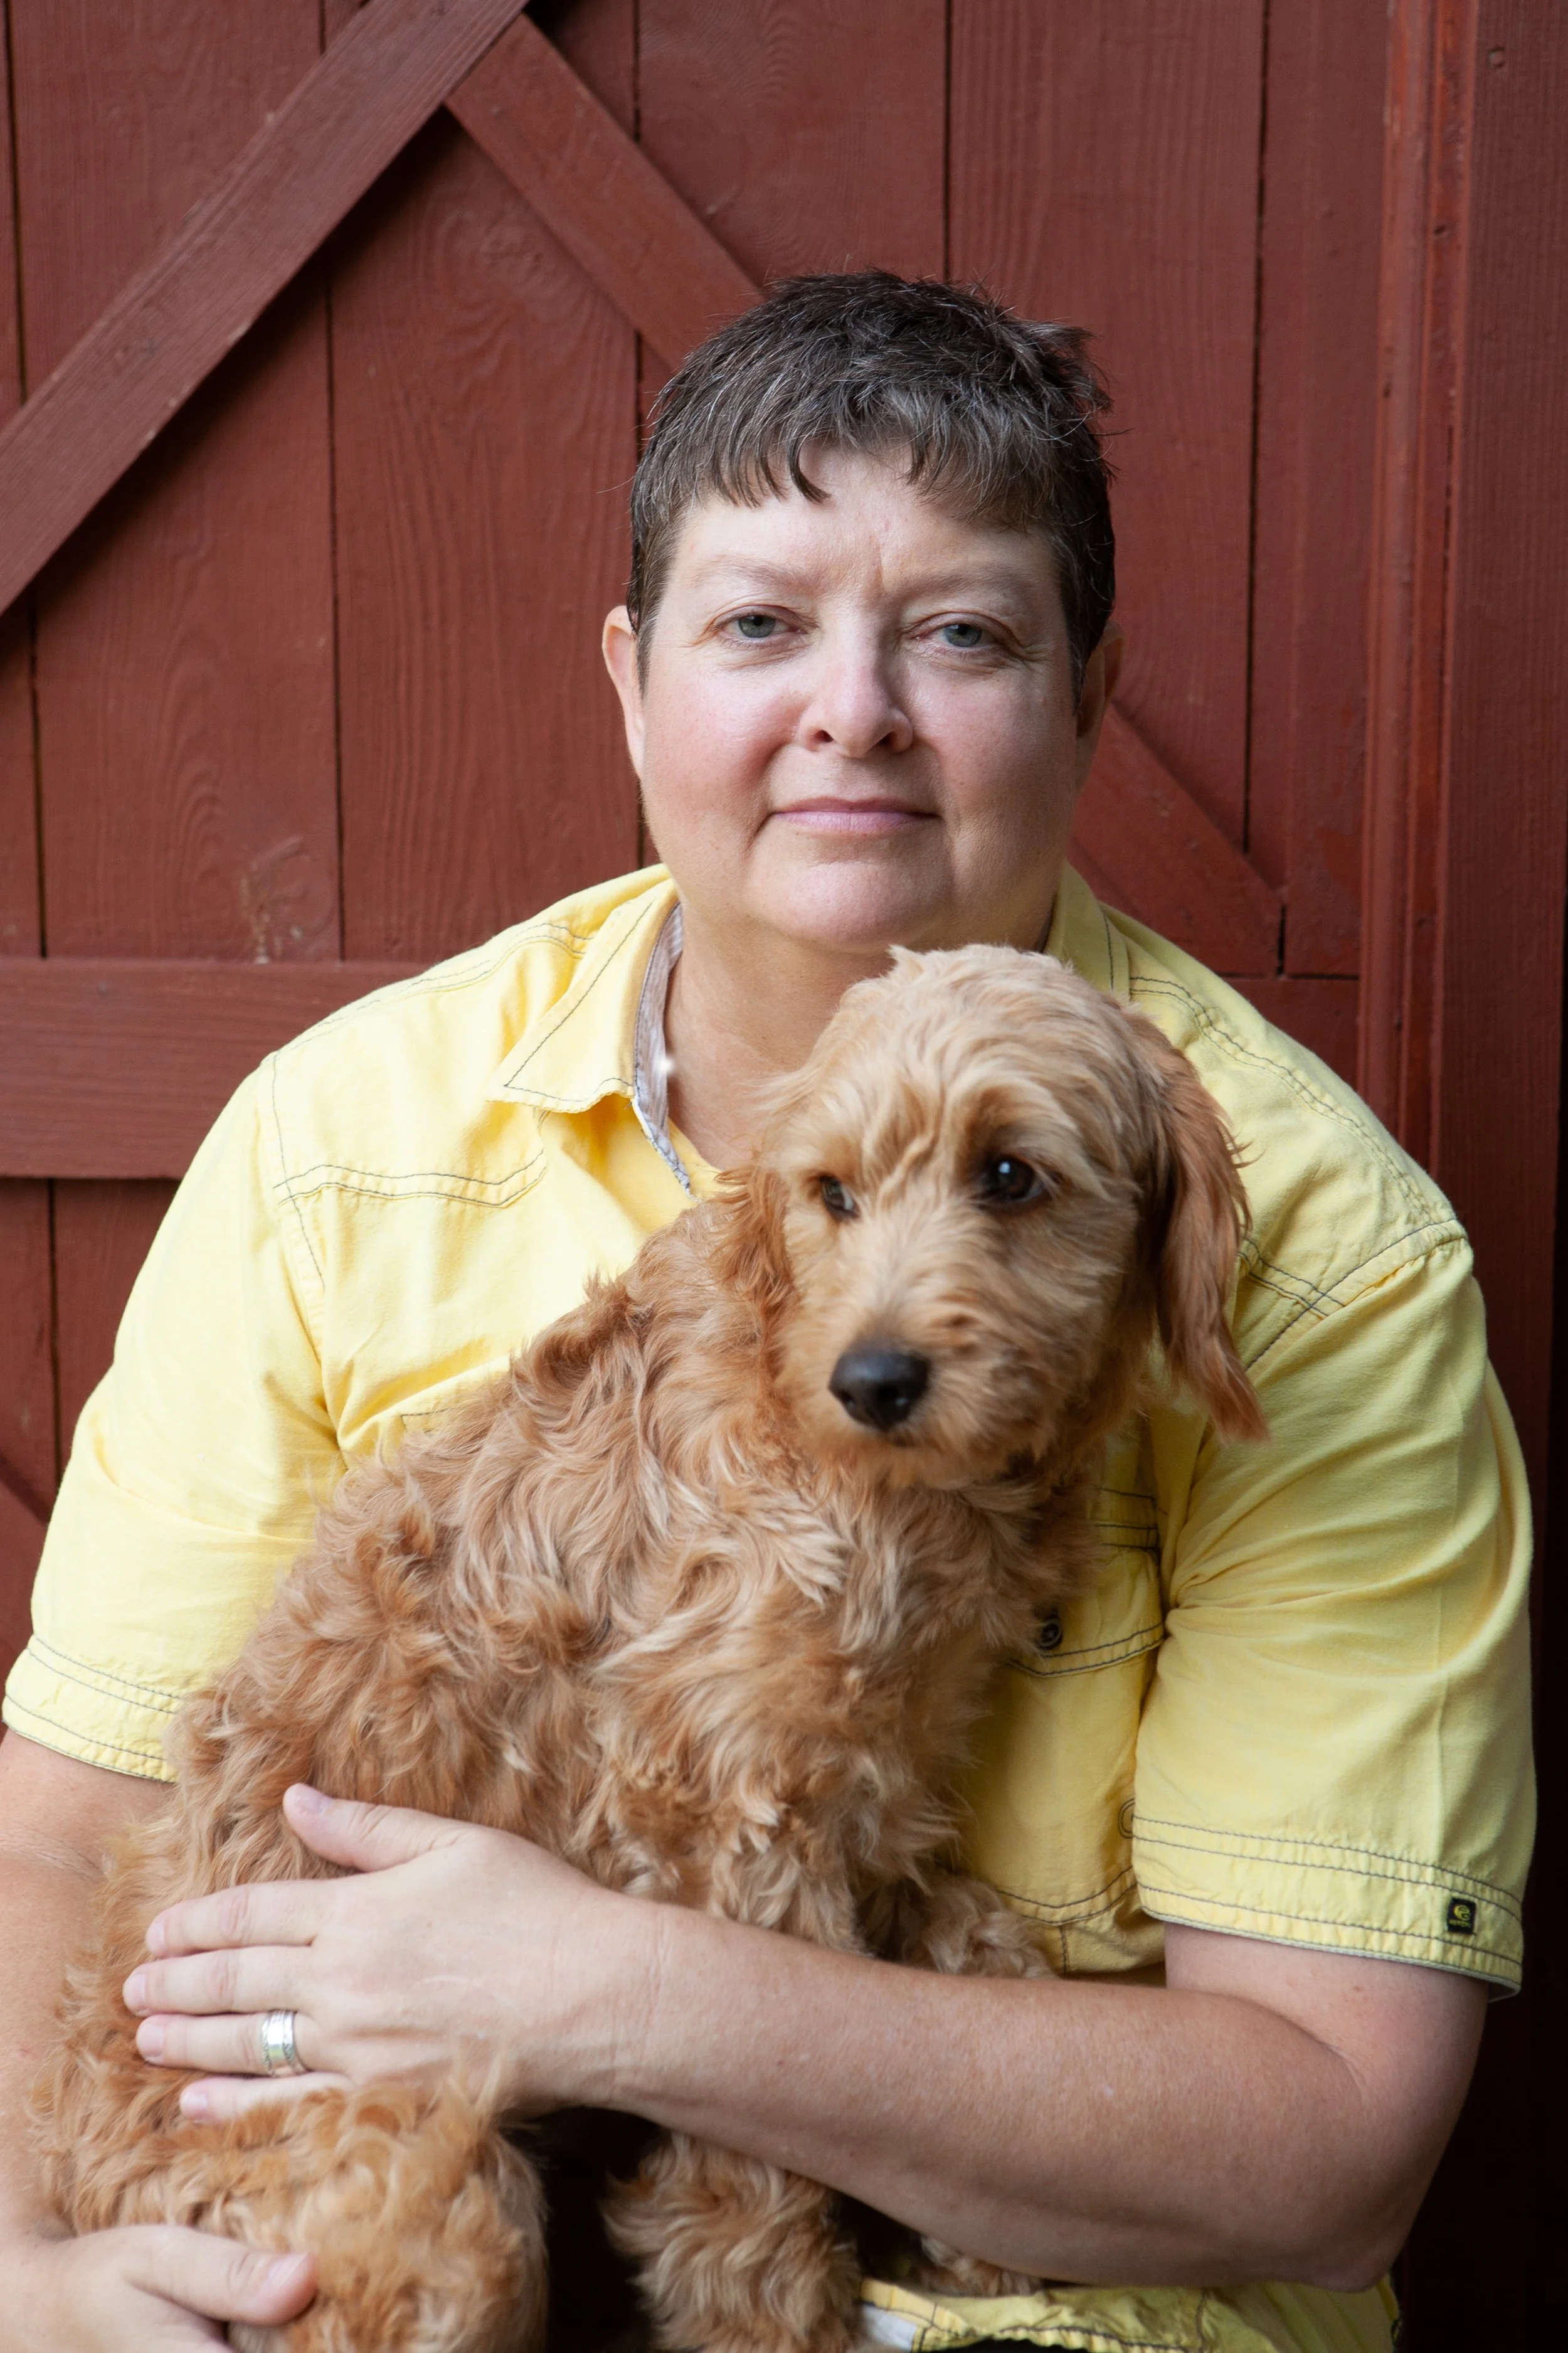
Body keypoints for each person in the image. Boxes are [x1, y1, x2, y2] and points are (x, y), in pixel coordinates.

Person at [0, 274, 1532, 2353]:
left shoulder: (1322, 1252)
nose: (853, 713)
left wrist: (604, 1987)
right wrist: (18, 2276)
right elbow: (65, 1845)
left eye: (960, 633)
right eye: (755, 625)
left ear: (1089, 693)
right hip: (401, 2219)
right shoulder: (335, 1146)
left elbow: (1331, 2149)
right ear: (631, 685)